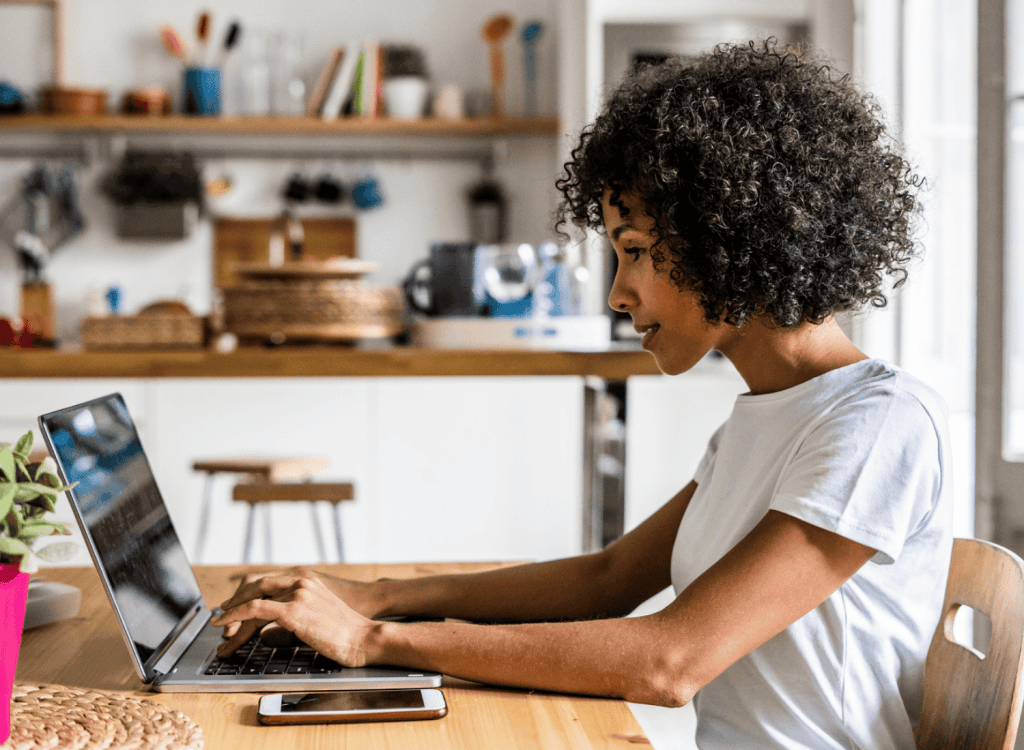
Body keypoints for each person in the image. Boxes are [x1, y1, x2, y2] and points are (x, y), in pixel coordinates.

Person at [212, 40, 951, 749]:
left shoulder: (878, 425)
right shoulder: (760, 419)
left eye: (634, 253)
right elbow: (609, 580)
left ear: (732, 239)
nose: (620, 293)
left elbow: (671, 662)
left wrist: (374, 641)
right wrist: (373, 595)